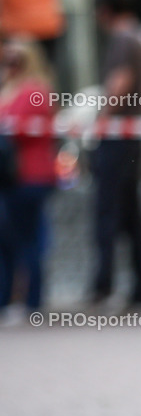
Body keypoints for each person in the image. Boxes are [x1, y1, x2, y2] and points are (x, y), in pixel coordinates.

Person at [90, 0, 141, 308]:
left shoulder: (123, 39)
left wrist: (102, 120)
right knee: (130, 212)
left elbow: (121, 80)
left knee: (110, 211)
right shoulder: (137, 37)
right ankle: (140, 287)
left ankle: (104, 284)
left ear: (105, 10)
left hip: (118, 137)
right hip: (130, 136)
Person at [0, 38, 57, 322]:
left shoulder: (35, 90)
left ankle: (31, 300)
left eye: (15, 60)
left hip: (30, 176)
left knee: (28, 240)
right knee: (10, 239)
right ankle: (10, 298)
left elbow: (18, 128)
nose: (9, 65)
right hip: (11, 178)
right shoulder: (9, 89)